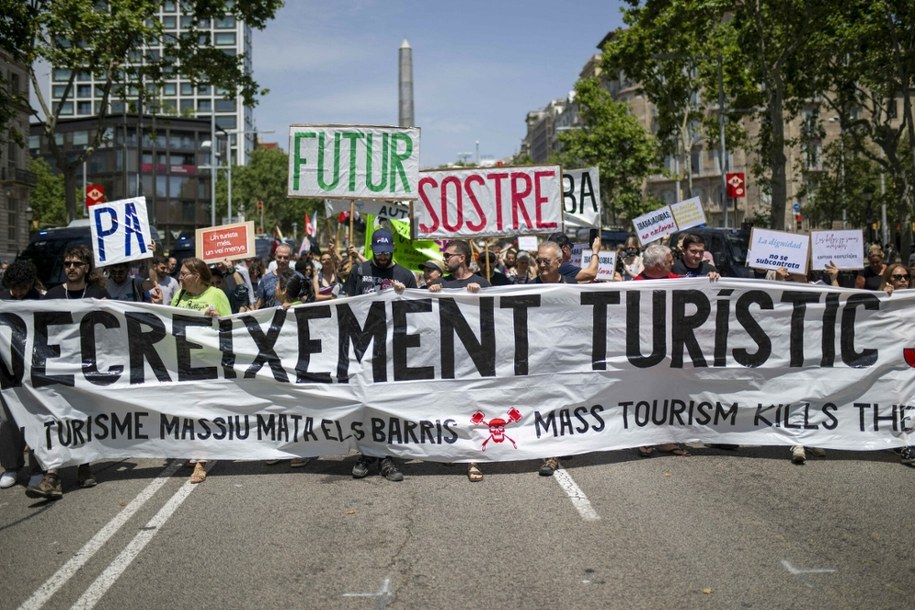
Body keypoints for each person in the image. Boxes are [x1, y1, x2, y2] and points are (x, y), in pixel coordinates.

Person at [27, 246, 110, 500]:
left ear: (86, 267)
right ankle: (52, 476)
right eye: (67, 264)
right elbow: (38, 329)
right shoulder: (52, 294)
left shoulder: (97, 294)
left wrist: (109, 308)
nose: (70, 268)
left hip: (88, 369)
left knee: (82, 418)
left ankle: (84, 467)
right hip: (58, 368)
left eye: (76, 263)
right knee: (55, 418)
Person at [344, 228, 416, 481]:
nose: (383, 257)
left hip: (392, 352)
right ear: (372, 249)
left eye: (387, 252)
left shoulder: (405, 275)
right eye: (378, 252)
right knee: (363, 404)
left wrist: (404, 295)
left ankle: (387, 456)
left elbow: (417, 315)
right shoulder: (359, 271)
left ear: (393, 249)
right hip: (362, 349)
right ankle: (366, 453)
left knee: (387, 405)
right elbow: (344, 306)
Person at [428, 240, 491, 482]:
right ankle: (453, 448)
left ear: (462, 258)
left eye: (448, 254)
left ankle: (473, 459)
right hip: (447, 357)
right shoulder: (440, 284)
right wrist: (429, 291)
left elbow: (498, 317)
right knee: (450, 406)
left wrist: (482, 295)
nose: (445, 258)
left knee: (474, 408)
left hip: (475, 358)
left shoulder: (481, 283)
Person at [166, 257, 231, 483]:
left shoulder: (216, 295)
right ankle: (194, 449)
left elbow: (231, 327)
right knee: (187, 410)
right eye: (180, 274)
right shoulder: (179, 296)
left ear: (197, 276)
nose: (180, 278)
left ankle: (202, 461)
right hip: (183, 361)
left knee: (203, 411)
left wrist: (217, 318)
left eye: (184, 274)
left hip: (207, 364)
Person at [631, 244, 691, 457]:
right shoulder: (635, 286)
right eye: (669, 260)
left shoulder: (676, 280)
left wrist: (712, 277)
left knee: (669, 394)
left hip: (673, 349)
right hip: (646, 351)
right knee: (646, 395)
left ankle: (665, 439)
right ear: (657, 265)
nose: (673, 263)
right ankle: (644, 437)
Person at [0, 260, 43, 490]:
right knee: (6, 422)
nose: (17, 293)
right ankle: (11, 467)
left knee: (35, 421)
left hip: (34, 374)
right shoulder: (1, 299)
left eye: (21, 288)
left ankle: (37, 468)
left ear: (30, 284)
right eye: (13, 288)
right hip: (6, 373)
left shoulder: (43, 302)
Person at [255, 244, 300, 309]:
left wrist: (291, 305)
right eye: (279, 257)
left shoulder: (298, 278)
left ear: (290, 257)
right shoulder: (266, 279)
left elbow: (305, 300)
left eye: (285, 257)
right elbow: (259, 304)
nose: (282, 260)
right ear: (275, 256)